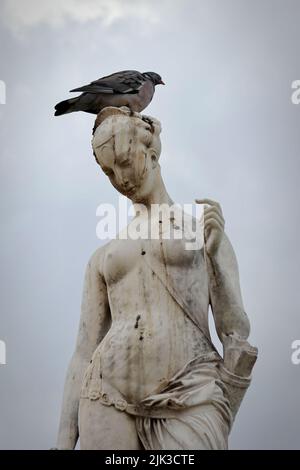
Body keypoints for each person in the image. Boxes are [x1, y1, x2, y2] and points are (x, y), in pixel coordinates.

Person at [56, 107, 257, 450]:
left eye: (123, 161)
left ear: (150, 152)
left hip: (191, 392)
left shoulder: (201, 231)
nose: (120, 178)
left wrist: (216, 253)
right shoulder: (102, 257)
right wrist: (62, 443)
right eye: (108, 172)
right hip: (107, 395)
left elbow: (235, 329)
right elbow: (83, 352)